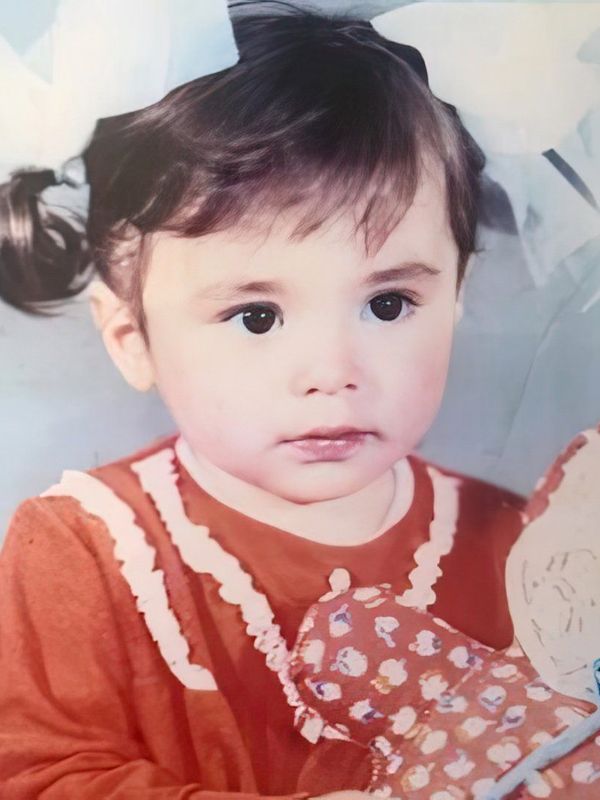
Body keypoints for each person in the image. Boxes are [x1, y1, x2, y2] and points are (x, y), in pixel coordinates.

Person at [0, 9, 526, 799]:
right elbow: (37, 778)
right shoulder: (86, 549)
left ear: (455, 297)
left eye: (388, 304)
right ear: (131, 337)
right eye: (256, 317)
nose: (332, 373)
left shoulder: (520, 543)